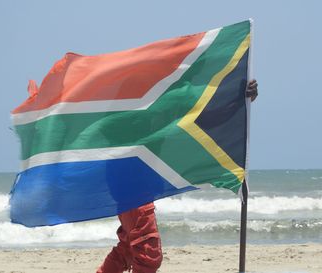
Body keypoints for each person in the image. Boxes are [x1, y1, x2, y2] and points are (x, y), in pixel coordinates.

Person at [97, 80, 258, 273]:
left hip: (134, 181)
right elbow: (107, 129)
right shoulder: (138, 99)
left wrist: (239, 100)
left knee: (129, 246)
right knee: (148, 255)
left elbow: (204, 117)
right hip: (129, 182)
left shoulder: (167, 96)